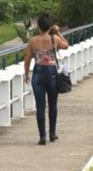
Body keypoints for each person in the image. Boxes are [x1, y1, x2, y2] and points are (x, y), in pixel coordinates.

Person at [23, 13, 69, 145]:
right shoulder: (55, 39)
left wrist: (26, 74)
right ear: (50, 27)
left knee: (40, 106)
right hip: (52, 74)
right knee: (53, 104)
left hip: (38, 73)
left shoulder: (33, 41)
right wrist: (58, 32)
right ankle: (52, 134)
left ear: (38, 27)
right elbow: (66, 45)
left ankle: (42, 136)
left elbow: (27, 59)